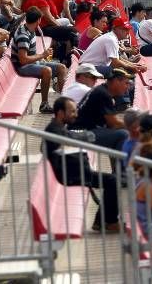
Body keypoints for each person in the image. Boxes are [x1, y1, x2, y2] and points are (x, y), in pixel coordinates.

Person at [44, 97, 120, 231]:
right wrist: (87, 136)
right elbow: (69, 140)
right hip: (70, 176)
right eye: (72, 112)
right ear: (61, 113)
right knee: (112, 180)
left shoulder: (56, 127)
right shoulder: (54, 130)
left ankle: (104, 220)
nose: (76, 115)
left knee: (112, 180)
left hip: (73, 172)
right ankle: (108, 221)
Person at [11, 8, 68, 113]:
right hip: (22, 67)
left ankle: (64, 103)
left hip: (32, 62)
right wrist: (42, 55)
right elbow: (23, 60)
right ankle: (44, 104)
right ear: (38, 20)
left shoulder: (30, 30)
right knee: (47, 71)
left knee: (62, 68)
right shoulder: (23, 35)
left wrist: (42, 56)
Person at [69, 68, 132, 155]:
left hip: (81, 131)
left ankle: (118, 168)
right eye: (126, 83)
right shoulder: (103, 94)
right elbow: (114, 123)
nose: (127, 87)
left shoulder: (103, 91)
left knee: (120, 134)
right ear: (116, 81)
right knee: (123, 135)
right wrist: (135, 128)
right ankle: (122, 168)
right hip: (79, 133)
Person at [79, 17, 146, 77]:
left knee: (122, 71)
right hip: (87, 68)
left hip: (89, 66)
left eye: (128, 29)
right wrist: (131, 68)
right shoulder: (111, 39)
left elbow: (119, 59)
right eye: (124, 29)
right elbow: (115, 63)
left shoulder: (112, 37)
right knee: (120, 73)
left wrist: (134, 65)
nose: (127, 32)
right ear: (115, 29)